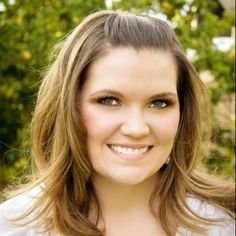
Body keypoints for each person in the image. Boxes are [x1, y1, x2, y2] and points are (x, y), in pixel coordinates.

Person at [0, 10, 235, 236]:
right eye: (109, 100)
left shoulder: (223, 226)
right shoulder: (12, 227)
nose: (136, 128)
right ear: (68, 106)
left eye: (160, 103)